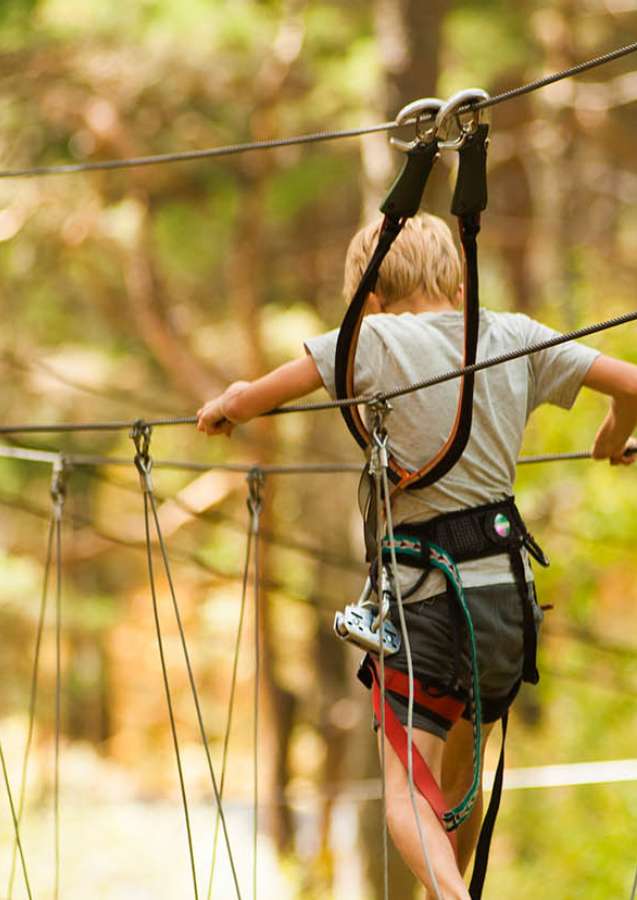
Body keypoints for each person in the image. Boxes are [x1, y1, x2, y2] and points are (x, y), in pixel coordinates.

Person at [196, 212, 637, 900]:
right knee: (459, 774)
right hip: (507, 607)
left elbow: (262, 395)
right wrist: (612, 436)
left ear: (370, 299)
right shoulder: (513, 334)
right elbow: (631, 383)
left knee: (407, 793)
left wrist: (228, 406)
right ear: (460, 288)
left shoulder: (370, 338)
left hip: (427, 605)